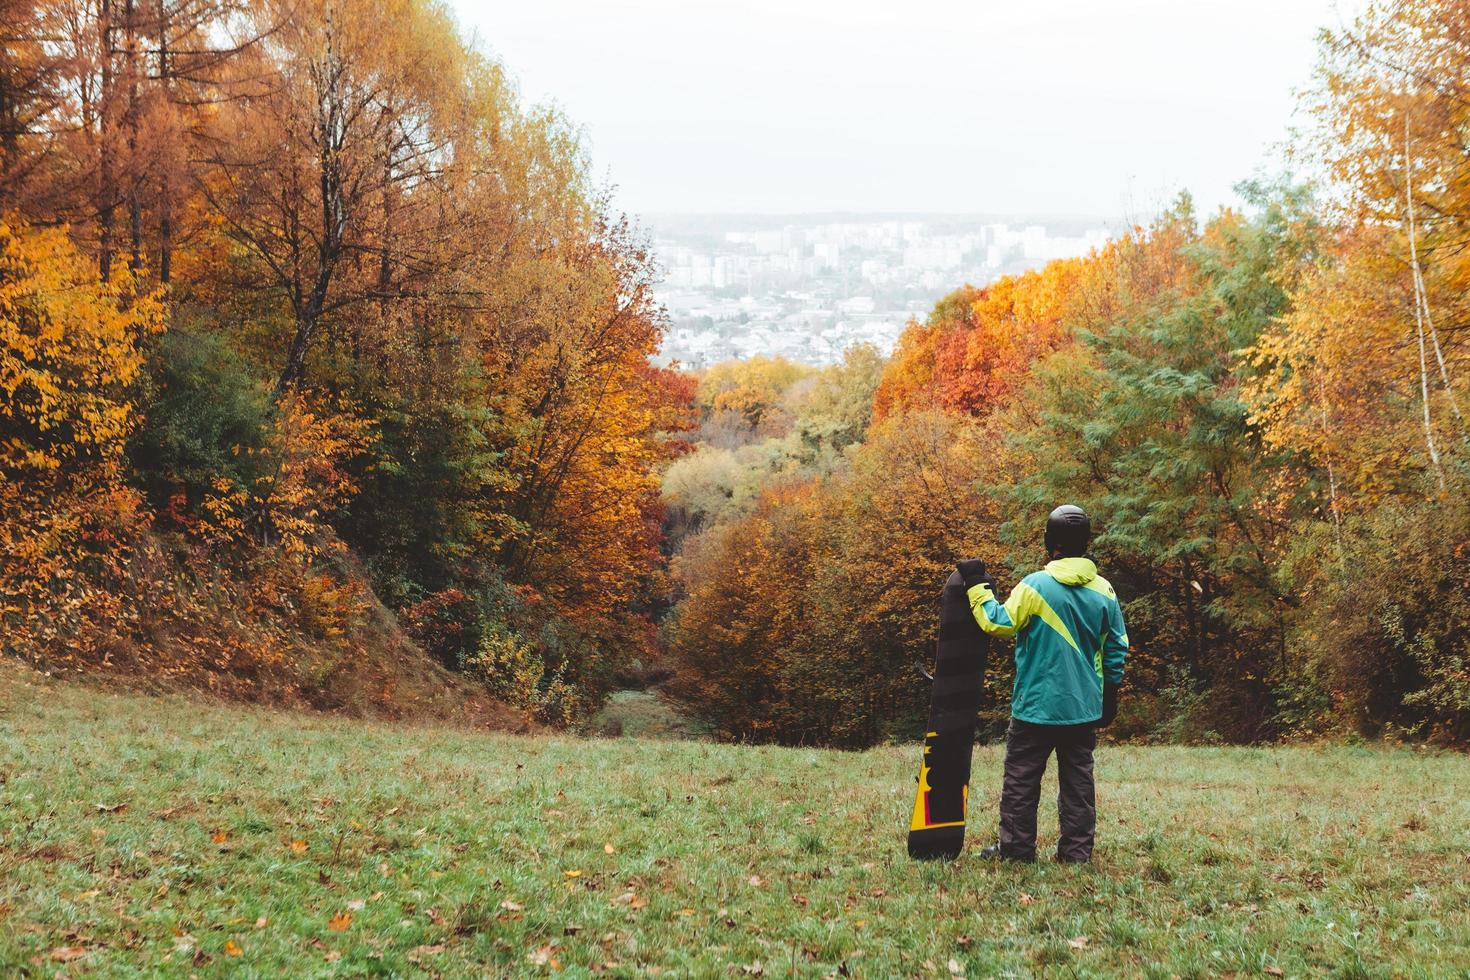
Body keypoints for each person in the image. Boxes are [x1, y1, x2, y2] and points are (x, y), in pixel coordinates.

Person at [956, 504, 1128, 864]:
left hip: (1035, 707)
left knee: (1021, 781)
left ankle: (1017, 851)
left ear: (1050, 543)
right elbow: (1116, 648)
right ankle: (1076, 855)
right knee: (1078, 784)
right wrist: (1109, 698)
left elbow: (998, 622)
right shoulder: (1106, 591)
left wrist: (976, 586)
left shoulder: (1035, 586)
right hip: (1082, 709)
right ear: (1086, 543)